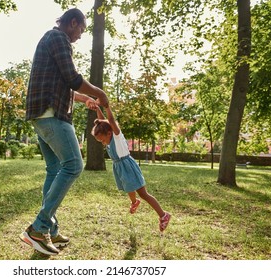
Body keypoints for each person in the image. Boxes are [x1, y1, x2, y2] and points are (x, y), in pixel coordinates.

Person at [20, 8, 109, 256]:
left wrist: (84, 99)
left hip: (41, 115)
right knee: (73, 165)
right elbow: (72, 77)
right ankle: (38, 227)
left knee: (54, 170)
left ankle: (51, 228)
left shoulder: (50, 39)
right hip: (52, 115)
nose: (80, 35)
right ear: (73, 23)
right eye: (81, 29)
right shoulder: (59, 38)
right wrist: (98, 93)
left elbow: (63, 84)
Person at [91, 105, 171, 232]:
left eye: (103, 140)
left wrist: (106, 107)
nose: (103, 143)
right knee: (128, 187)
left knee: (143, 193)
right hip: (119, 167)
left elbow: (110, 121)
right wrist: (97, 110)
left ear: (109, 133)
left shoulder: (117, 136)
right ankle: (134, 202)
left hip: (127, 165)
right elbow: (103, 122)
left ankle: (163, 215)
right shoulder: (107, 132)